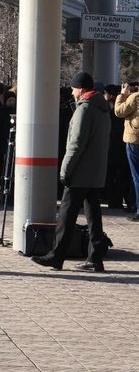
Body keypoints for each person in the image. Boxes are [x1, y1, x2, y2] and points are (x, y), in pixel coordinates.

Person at [32, 72, 110, 272]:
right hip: (95, 172)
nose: (72, 92)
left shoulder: (85, 110)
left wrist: (65, 170)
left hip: (80, 173)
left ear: (81, 89)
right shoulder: (102, 109)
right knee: (94, 217)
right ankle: (95, 257)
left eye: (74, 88)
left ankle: (56, 256)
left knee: (66, 215)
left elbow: (76, 144)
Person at [114, 81, 139, 222]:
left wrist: (122, 95)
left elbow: (119, 111)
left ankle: (137, 208)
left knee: (136, 176)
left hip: (134, 140)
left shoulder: (135, 97)